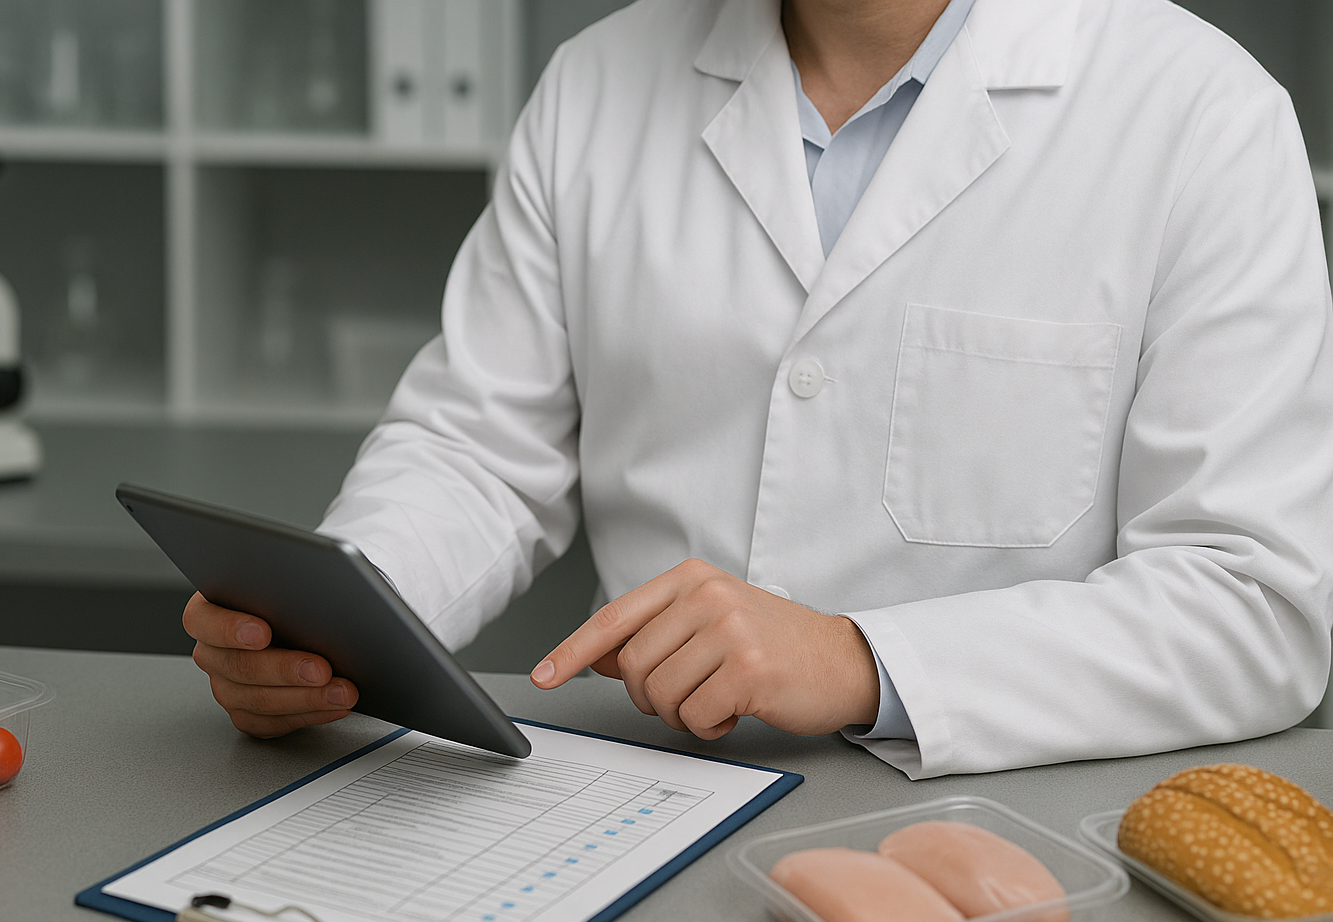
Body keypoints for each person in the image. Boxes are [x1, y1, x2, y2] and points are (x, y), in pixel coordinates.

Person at [184, 0, 1333, 778]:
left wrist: (864, 661)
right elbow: (477, 451)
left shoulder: (1204, 119)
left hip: (1000, 821)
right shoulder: (596, 83)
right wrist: (342, 625)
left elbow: (1253, 606)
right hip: (641, 803)